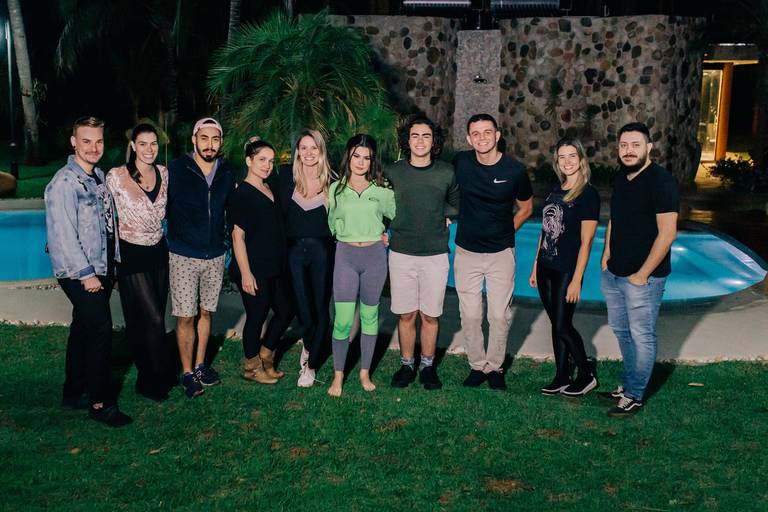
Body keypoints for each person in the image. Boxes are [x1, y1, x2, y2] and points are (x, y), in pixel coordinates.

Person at [45, 116, 131, 427]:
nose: (93, 147)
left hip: (101, 266)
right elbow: (63, 235)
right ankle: (100, 403)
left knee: (83, 327)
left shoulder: (97, 177)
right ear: (73, 142)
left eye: (98, 141)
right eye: (86, 141)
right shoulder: (64, 183)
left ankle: (74, 392)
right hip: (80, 271)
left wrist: (112, 266)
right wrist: (86, 274)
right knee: (99, 331)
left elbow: (107, 226)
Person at [600, 122, 679, 417]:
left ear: (649, 147)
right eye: (623, 145)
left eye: (635, 145)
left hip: (643, 279)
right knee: (622, 331)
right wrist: (606, 255)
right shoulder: (622, 177)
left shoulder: (662, 182)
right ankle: (628, 384)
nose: (628, 150)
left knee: (642, 335)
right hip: (615, 272)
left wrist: (642, 274)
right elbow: (615, 219)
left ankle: (634, 395)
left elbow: (667, 233)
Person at [453, 113, 533, 390]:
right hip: (467, 252)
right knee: (471, 315)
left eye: (487, 132)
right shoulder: (461, 163)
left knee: (499, 315)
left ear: (497, 135)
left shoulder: (514, 170)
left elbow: (526, 208)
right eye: (475, 133)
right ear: (468, 139)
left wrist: (507, 230)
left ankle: (495, 367)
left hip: (501, 253)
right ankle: (477, 366)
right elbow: (444, 190)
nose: (482, 138)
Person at [386, 116, 459, 390]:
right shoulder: (393, 171)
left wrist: (444, 213)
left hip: (435, 254)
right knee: (406, 315)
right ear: (407, 140)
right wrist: (381, 228)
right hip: (401, 252)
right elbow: (381, 203)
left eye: (426, 135)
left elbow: (457, 204)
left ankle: (427, 366)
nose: (420, 141)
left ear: (434, 141)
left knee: (430, 315)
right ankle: (407, 365)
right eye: (415, 135)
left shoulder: (446, 172)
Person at [166, 117, 235, 398]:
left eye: (215, 139)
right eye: (204, 138)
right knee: (186, 316)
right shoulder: (176, 169)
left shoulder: (227, 172)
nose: (209, 145)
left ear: (220, 142)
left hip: (215, 254)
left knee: (207, 312)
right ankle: (186, 372)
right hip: (183, 254)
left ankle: (200, 365)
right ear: (194, 139)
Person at [106, 123, 173, 402]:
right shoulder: (116, 176)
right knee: (152, 318)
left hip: (158, 251)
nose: (149, 149)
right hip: (131, 253)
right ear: (133, 145)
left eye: (153, 143)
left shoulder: (164, 173)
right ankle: (152, 378)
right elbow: (105, 218)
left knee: (153, 317)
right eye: (143, 144)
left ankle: (153, 372)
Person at [529, 138, 600, 397]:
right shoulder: (555, 190)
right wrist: (535, 265)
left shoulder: (588, 194)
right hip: (545, 266)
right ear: (556, 161)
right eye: (562, 157)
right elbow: (545, 231)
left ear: (581, 160)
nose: (567, 161)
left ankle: (586, 375)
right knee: (556, 323)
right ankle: (561, 375)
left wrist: (576, 279)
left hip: (566, 270)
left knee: (562, 325)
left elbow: (586, 242)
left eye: (572, 156)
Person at [327, 134, 396, 397]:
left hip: (374, 257)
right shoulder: (336, 189)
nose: (361, 162)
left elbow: (396, 216)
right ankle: (338, 375)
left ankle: (364, 373)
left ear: (372, 161)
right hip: (345, 256)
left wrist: (389, 235)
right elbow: (331, 224)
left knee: (369, 317)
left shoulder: (382, 189)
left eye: (366, 158)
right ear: (348, 156)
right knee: (342, 320)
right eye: (356, 156)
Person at [229, 138, 294, 385]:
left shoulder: (270, 187)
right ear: (249, 161)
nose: (267, 165)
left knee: (286, 311)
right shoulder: (241, 194)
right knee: (256, 317)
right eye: (261, 160)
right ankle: (252, 368)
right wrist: (246, 273)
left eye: (270, 161)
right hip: (254, 268)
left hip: (273, 266)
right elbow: (237, 236)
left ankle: (266, 355)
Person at [278, 129, 335, 388]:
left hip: (322, 254)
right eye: (304, 148)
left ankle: (310, 367)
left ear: (321, 151)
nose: (309, 153)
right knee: (304, 313)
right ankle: (309, 345)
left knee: (321, 311)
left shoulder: (333, 182)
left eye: (314, 148)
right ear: (297, 152)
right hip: (293, 256)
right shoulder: (285, 178)